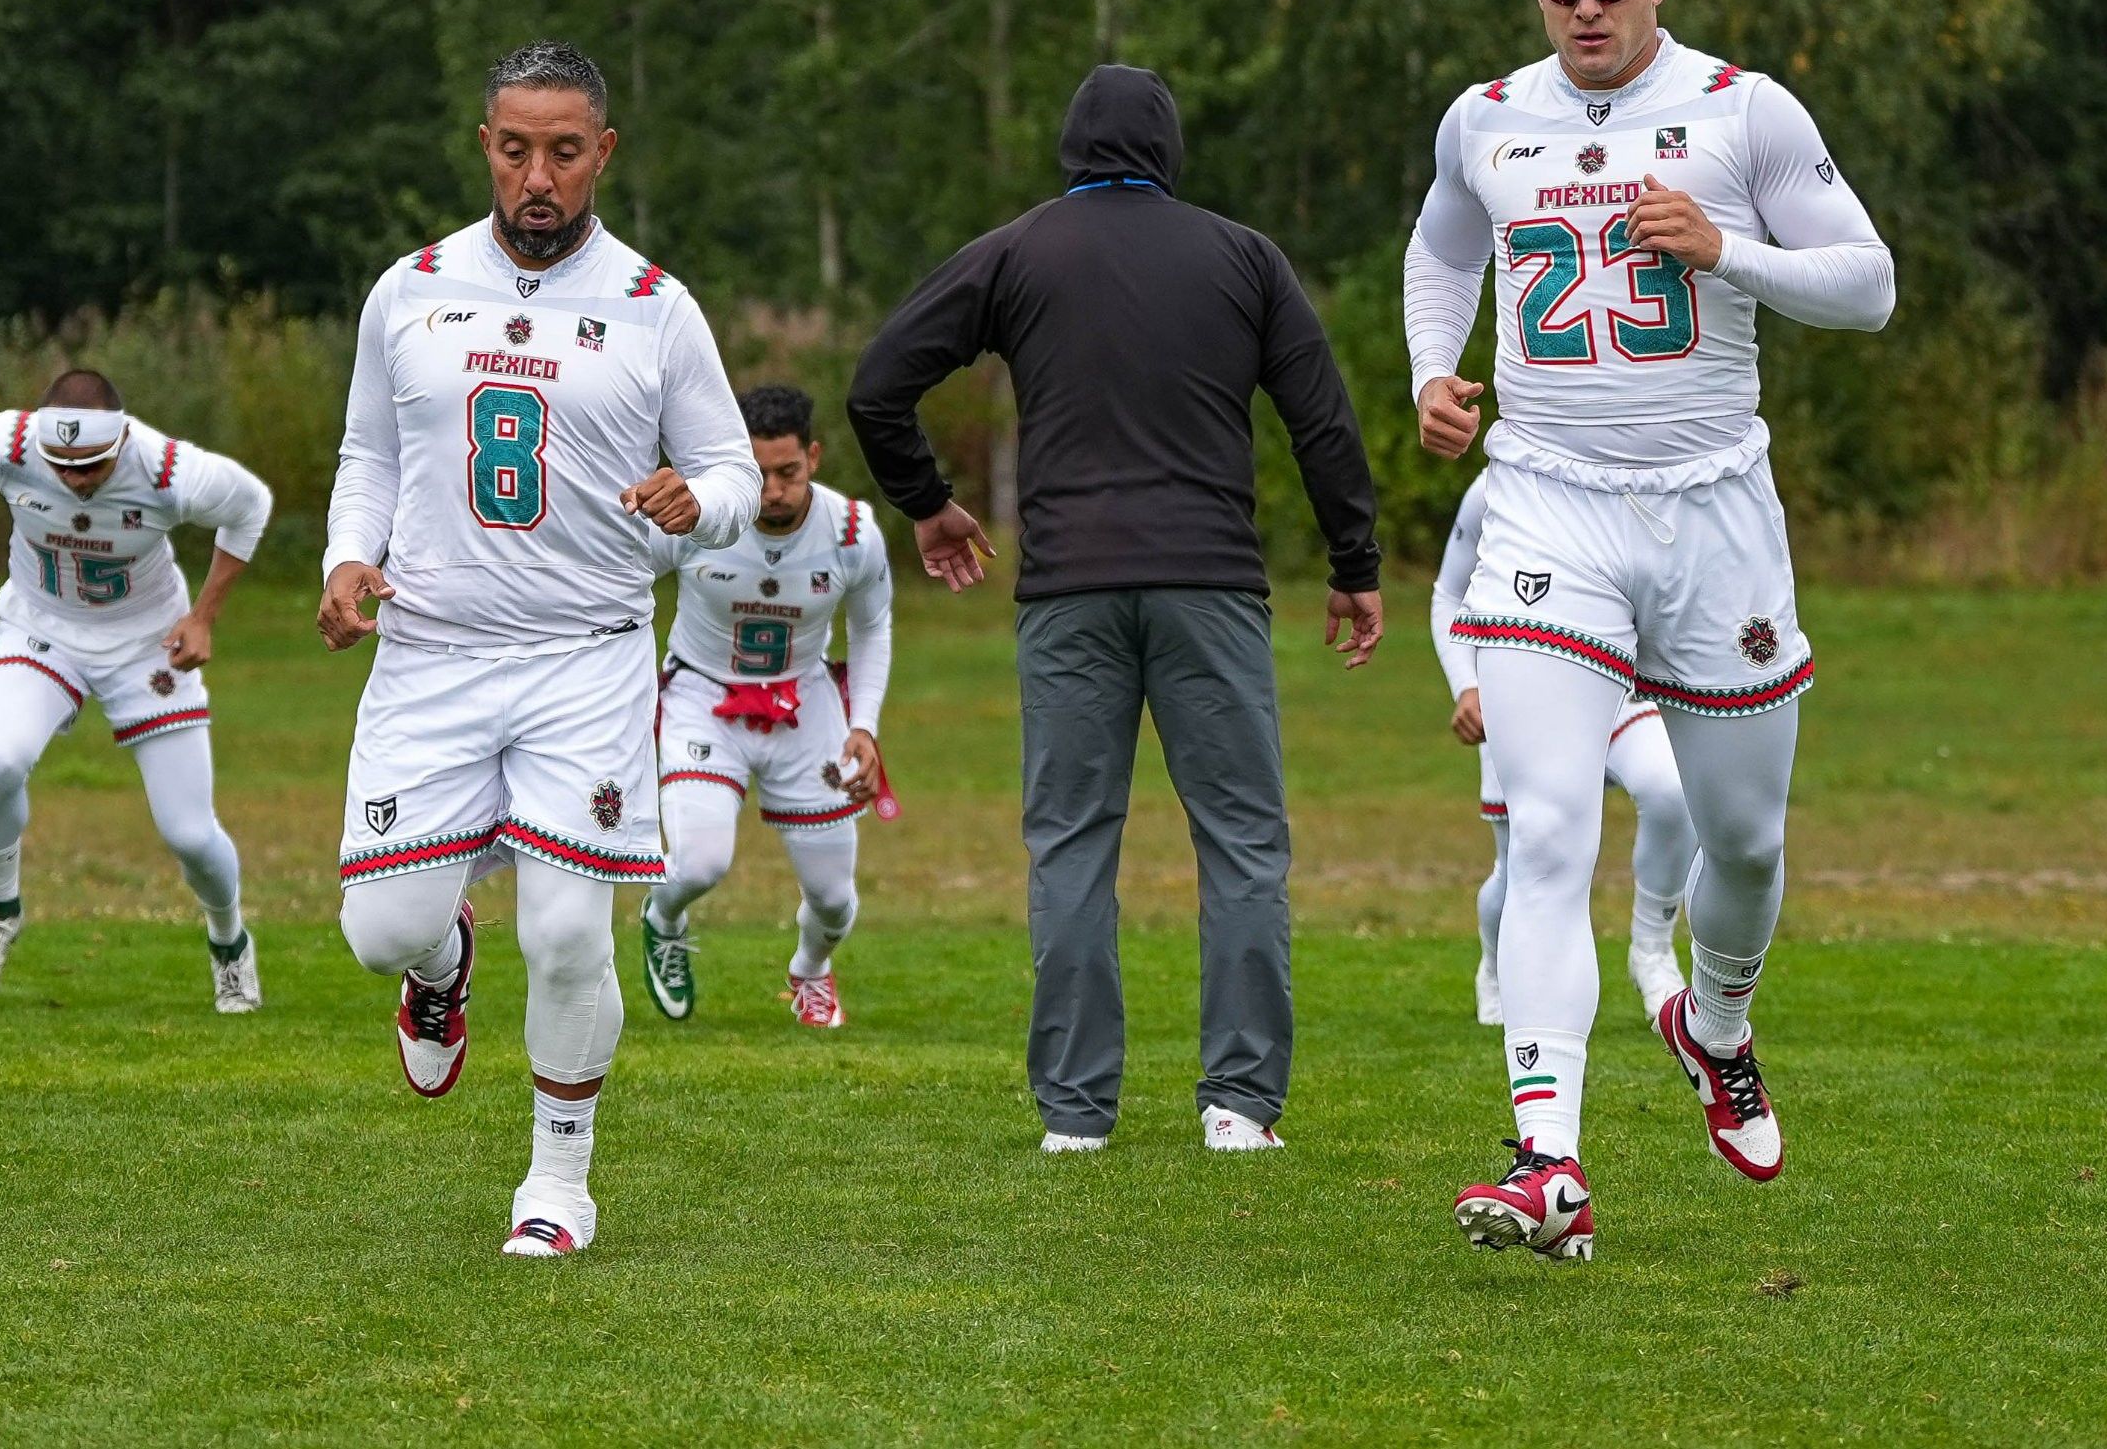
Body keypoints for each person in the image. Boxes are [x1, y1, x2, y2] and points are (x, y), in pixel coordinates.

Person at [1405, 0, 1895, 1263]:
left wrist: (1729, 248)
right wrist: (1436, 367)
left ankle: (1716, 1021)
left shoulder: (1744, 109)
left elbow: (1870, 284)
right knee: (1552, 828)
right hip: (1547, 510)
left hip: (1714, 516)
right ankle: (1545, 1157)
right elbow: (1441, 253)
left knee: (1741, 837)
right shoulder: (1486, 119)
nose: (1585, 9)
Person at [848, 63, 1383, 1158]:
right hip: (1212, 586)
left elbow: (877, 383)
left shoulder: (1016, 250)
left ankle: (1075, 1116)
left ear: (1070, 150)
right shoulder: (1244, 257)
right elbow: (1319, 420)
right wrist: (1353, 560)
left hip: (1068, 596)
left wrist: (929, 503)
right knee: (1239, 843)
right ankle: (1238, 1103)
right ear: (1170, 151)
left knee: (1072, 848)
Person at [320, 42, 759, 1260]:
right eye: (516, 149)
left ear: (603, 151)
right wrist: (344, 561)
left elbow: (727, 467)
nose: (538, 176)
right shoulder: (408, 286)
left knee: (571, 931)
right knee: (381, 932)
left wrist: (702, 502)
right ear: (485, 147)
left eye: (564, 151)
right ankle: (444, 962)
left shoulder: (655, 306)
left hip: (587, 655)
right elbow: (367, 455)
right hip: (431, 652)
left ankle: (557, 1185)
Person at [0, 370, 275, 1012]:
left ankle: (229, 942)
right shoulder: (12, 444)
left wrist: (204, 616)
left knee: (188, 832)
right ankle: (0, 910)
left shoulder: (166, 471)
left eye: (91, 467)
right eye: (63, 467)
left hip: (147, 645)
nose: (74, 480)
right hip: (41, 627)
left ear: (122, 440)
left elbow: (250, 507)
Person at [638, 383, 897, 1030]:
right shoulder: (697, 518)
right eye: (759, 474)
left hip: (805, 702)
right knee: (701, 861)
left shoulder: (852, 532)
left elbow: (873, 628)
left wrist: (863, 725)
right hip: (703, 694)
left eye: (789, 471)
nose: (775, 489)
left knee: (836, 900)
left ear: (813, 455)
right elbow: (618, 586)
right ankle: (663, 916)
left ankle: (810, 969)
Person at [1435, 475, 1693, 1028]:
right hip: (1523, 694)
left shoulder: (1638, 477)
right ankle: (1498, 971)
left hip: (1621, 691)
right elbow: (1448, 594)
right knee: (1523, 860)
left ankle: (1652, 953)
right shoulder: (1492, 486)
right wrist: (1467, 684)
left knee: (1672, 792)